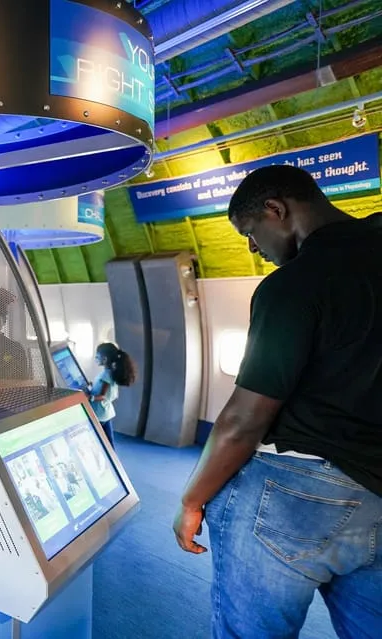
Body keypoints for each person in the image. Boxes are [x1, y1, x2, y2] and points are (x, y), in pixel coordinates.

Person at [172, 165, 382, 638]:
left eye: (250, 231)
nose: (252, 247)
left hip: (294, 494)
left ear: (276, 210)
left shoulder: (293, 284)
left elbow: (243, 420)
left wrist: (192, 500)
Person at [85, 342, 136, 445]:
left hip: (99, 413)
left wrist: (89, 397)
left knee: (100, 442)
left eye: (97, 356)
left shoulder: (106, 375)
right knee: (108, 441)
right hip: (106, 413)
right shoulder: (109, 373)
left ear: (104, 359)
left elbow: (102, 396)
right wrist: (92, 385)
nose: (95, 358)